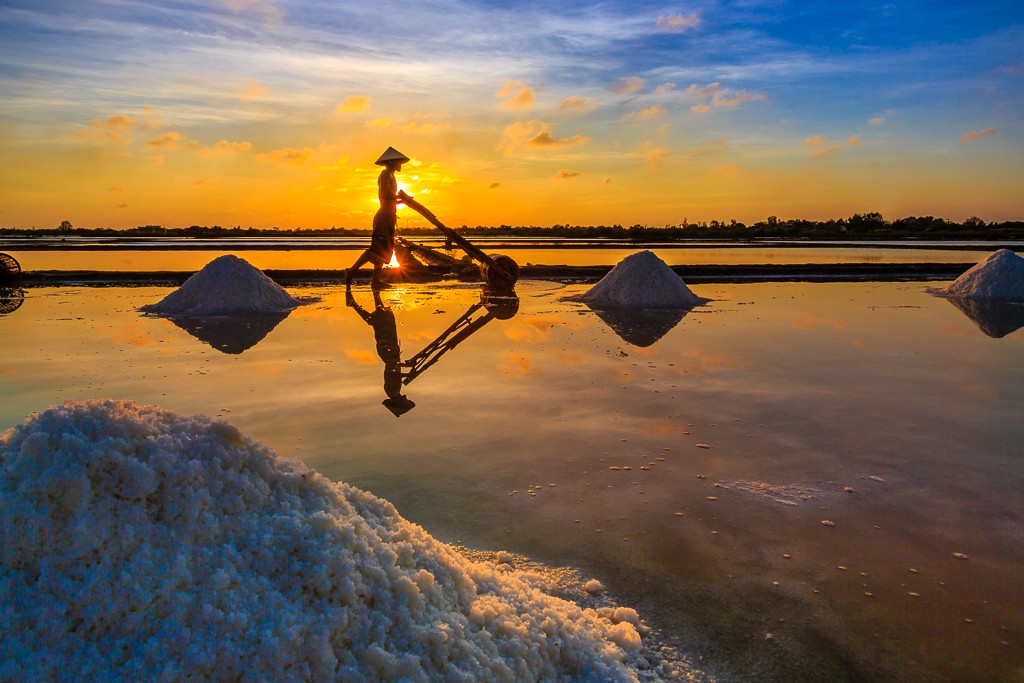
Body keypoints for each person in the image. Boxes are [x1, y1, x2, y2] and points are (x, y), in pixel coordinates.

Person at [345, 146, 410, 290]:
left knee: (383, 250)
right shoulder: (385, 174)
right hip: (384, 217)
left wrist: (402, 200)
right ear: (393, 162)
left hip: (389, 216)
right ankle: (351, 271)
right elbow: (384, 196)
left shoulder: (391, 175)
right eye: (399, 162)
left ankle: (375, 281)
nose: (400, 165)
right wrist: (401, 198)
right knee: (376, 249)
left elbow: (389, 197)